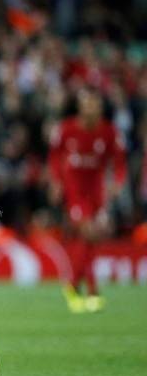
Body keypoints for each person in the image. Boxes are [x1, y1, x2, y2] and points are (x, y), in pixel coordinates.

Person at [48, 87, 127, 313]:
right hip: (75, 191)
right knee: (89, 232)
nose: (91, 108)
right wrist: (56, 181)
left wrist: (118, 182)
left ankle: (74, 286)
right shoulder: (66, 129)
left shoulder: (109, 132)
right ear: (81, 106)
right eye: (88, 103)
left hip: (97, 191)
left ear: (100, 106)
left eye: (95, 104)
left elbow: (119, 161)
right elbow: (54, 156)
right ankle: (91, 290)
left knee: (91, 239)